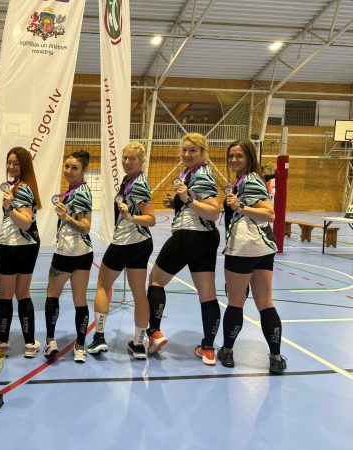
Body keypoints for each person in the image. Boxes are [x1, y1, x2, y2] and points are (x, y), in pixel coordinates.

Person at [146, 133, 221, 365]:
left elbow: (213, 212)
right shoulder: (189, 174)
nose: (187, 154)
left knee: (156, 280)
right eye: (184, 150)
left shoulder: (203, 175)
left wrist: (187, 200)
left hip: (189, 235)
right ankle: (208, 349)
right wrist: (176, 203)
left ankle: (154, 333)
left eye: (192, 150)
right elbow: (194, 203)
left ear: (203, 152)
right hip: (205, 239)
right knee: (207, 294)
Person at [218, 139, 286, 375]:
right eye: (231, 156)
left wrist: (240, 208)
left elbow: (269, 214)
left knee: (236, 302)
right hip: (262, 250)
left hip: (244, 249)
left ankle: (227, 351)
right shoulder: (243, 181)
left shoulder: (252, 180)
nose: (234, 160)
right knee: (265, 303)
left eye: (239, 156)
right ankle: (275, 357)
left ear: (249, 157)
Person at [87, 141, 156, 360]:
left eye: (132, 158)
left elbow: (151, 219)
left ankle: (99, 337)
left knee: (102, 285)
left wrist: (130, 217)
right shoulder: (129, 180)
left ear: (141, 161)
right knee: (139, 294)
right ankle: (138, 344)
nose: (127, 162)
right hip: (141, 244)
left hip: (126, 243)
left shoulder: (139, 184)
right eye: (125, 158)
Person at [44, 150, 93, 363]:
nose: (69, 171)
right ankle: (80, 346)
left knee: (52, 296)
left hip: (67, 254)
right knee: (80, 301)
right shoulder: (73, 191)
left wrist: (66, 217)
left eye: (74, 168)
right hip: (83, 254)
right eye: (67, 166)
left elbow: (86, 227)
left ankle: (50, 341)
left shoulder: (80, 193)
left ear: (83, 170)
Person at [0, 147, 42, 358]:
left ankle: (4, 344)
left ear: (24, 166)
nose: (11, 166)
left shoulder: (22, 188)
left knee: (7, 296)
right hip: (27, 246)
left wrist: (8, 207)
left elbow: (25, 222)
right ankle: (29, 344)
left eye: (16, 163)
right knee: (23, 294)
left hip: (11, 246)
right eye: (9, 162)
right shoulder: (21, 186)